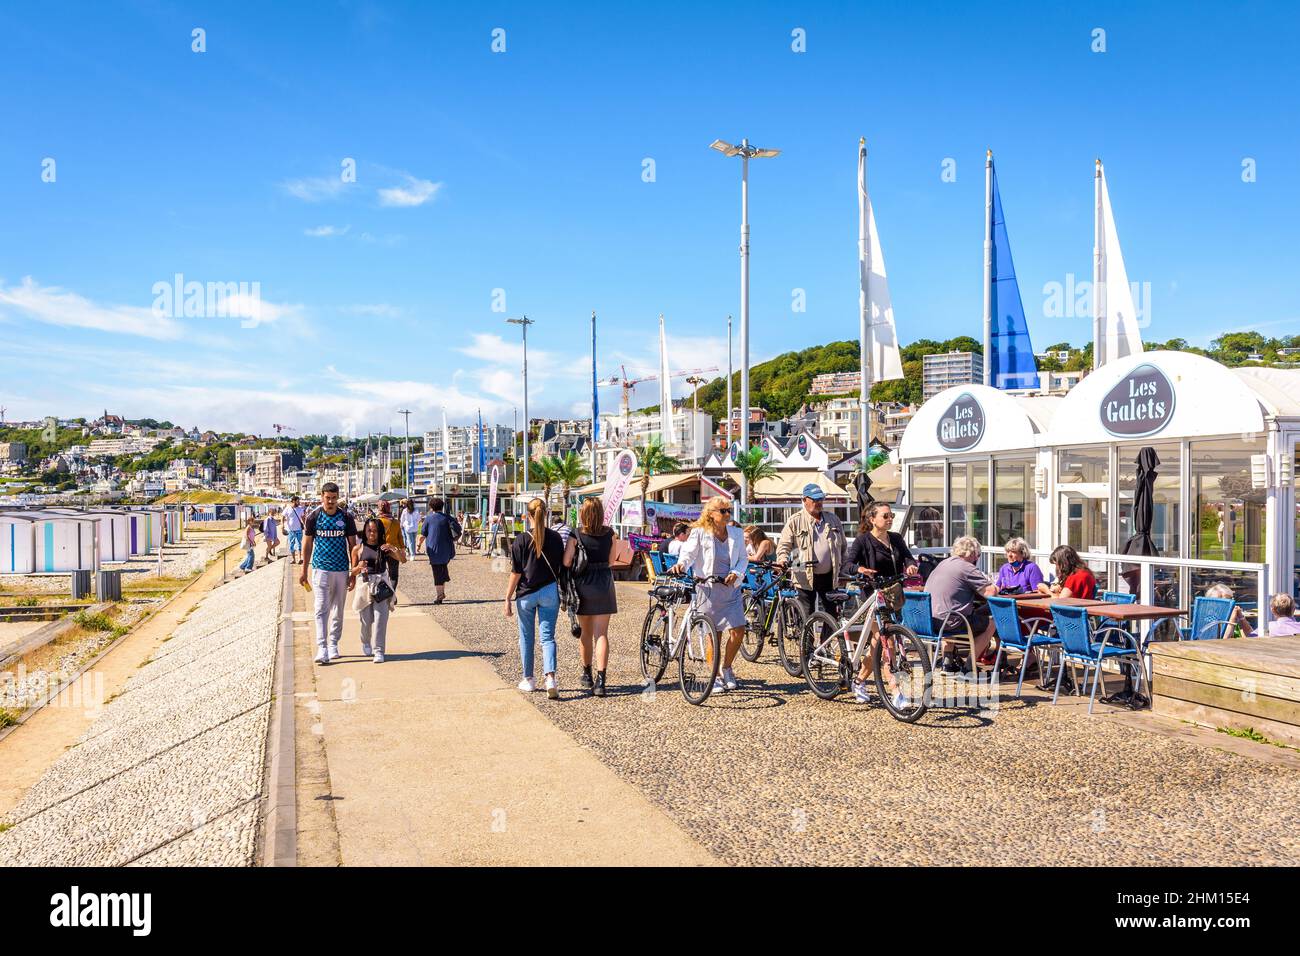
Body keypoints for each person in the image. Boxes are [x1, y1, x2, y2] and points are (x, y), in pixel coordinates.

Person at [672, 497, 749, 692]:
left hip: (730, 587)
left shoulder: (736, 533)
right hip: (707, 588)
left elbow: (742, 559)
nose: (727, 514)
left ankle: (727, 667)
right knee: (712, 634)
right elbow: (688, 554)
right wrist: (682, 565)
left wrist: (737, 573)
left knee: (738, 629)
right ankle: (714, 675)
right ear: (711, 514)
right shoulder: (700, 533)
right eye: (722, 511)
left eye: (728, 510)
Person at [505, 498, 566, 698]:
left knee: (526, 637)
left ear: (528, 516)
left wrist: (507, 597)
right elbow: (561, 566)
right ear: (546, 514)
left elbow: (516, 572)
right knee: (547, 637)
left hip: (526, 594)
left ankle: (529, 679)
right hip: (549, 591)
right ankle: (550, 677)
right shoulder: (556, 538)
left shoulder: (521, 540)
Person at [564, 498, 619, 697]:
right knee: (602, 634)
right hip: (604, 584)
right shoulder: (610, 534)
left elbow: (567, 561)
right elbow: (612, 561)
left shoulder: (576, 534)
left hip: (583, 585)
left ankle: (586, 673)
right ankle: (601, 680)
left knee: (586, 633)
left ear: (583, 513)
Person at [301, 482, 358, 664]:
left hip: (341, 569)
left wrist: (353, 572)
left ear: (337, 498)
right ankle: (322, 647)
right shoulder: (314, 517)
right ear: (322, 497)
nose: (331, 501)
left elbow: (353, 546)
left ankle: (333, 643)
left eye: (334, 498)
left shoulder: (346, 517)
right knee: (320, 608)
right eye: (328, 498)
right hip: (320, 568)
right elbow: (307, 544)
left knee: (338, 609)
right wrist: (304, 570)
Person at [926, 536, 999, 672]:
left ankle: (947, 663)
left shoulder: (943, 563)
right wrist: (997, 586)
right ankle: (969, 667)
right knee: (992, 623)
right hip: (950, 622)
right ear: (972, 554)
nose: (977, 559)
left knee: (950, 611)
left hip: (930, 621)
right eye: (977, 556)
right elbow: (990, 592)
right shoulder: (966, 567)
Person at [775, 483, 847, 617]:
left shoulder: (833, 519)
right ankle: (807, 638)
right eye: (815, 500)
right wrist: (782, 559)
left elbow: (843, 548)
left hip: (830, 575)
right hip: (803, 574)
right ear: (804, 500)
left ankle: (827, 638)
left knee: (832, 613)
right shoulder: (795, 521)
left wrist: (843, 571)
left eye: (821, 499)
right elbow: (784, 545)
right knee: (806, 614)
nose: (819, 503)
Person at [349, 517, 406, 663]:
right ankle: (365, 642)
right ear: (365, 531)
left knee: (381, 619)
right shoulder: (358, 548)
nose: (372, 533)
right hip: (365, 585)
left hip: (381, 585)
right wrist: (359, 567)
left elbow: (402, 559)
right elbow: (353, 571)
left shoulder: (384, 547)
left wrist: (393, 548)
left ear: (379, 531)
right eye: (369, 530)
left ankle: (379, 650)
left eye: (375, 530)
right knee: (366, 621)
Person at [416, 497, 461, 605]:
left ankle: (439, 595)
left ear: (431, 507)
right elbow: (458, 531)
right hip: (447, 548)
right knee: (442, 568)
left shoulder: (428, 519)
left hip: (434, 548)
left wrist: (418, 545)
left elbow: (423, 535)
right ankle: (441, 592)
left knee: (437, 571)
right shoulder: (448, 518)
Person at [375, 499, 406, 600]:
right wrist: (402, 548)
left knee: (381, 574)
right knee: (394, 575)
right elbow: (400, 537)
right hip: (393, 550)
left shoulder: (376, 521)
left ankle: (384, 594)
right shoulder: (395, 522)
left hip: (380, 550)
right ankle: (392, 594)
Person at [284, 495, 307, 564]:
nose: (299, 502)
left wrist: (305, 525)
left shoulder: (300, 509)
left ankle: (300, 558)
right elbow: (282, 517)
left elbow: (303, 518)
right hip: (290, 530)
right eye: (298, 501)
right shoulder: (288, 508)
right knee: (291, 544)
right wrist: (282, 526)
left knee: (299, 544)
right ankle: (293, 559)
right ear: (293, 501)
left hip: (299, 529)